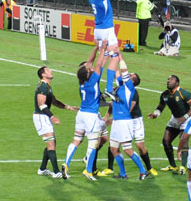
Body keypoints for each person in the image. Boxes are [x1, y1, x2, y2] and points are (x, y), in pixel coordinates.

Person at [63, 44, 108, 180]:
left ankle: (66, 163)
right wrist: (103, 49)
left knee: (76, 140)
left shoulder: (81, 82)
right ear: (88, 73)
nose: (91, 68)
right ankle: (88, 170)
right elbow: (99, 63)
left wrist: (95, 48)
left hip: (80, 114)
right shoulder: (93, 80)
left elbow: (91, 63)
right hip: (90, 116)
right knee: (93, 143)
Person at [107, 58, 150, 180]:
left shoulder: (129, 88)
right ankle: (123, 174)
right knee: (113, 148)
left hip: (124, 121)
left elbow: (123, 69)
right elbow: (116, 71)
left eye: (131, 75)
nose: (128, 74)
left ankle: (143, 171)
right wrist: (113, 57)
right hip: (117, 120)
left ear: (132, 80)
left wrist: (120, 57)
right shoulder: (121, 86)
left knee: (127, 149)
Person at [148, 75, 191, 174]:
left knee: (183, 141)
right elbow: (161, 106)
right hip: (175, 118)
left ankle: (183, 166)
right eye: (168, 79)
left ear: (177, 83)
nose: (168, 81)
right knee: (166, 141)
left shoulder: (183, 93)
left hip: (187, 119)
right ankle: (173, 166)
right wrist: (155, 114)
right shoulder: (165, 95)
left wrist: (185, 117)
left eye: (171, 80)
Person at [33, 66, 77, 179]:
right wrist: (52, 117)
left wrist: (68, 107)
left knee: (51, 143)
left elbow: (54, 101)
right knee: (51, 144)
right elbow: (41, 104)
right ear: (43, 75)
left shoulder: (47, 86)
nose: (51, 71)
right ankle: (57, 172)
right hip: (41, 117)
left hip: (44, 117)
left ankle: (42, 169)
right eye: (48, 70)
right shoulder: (42, 86)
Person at [87, 0, 121, 100]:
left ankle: (97, 89)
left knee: (104, 57)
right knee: (115, 55)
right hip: (106, 29)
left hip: (99, 30)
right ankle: (108, 88)